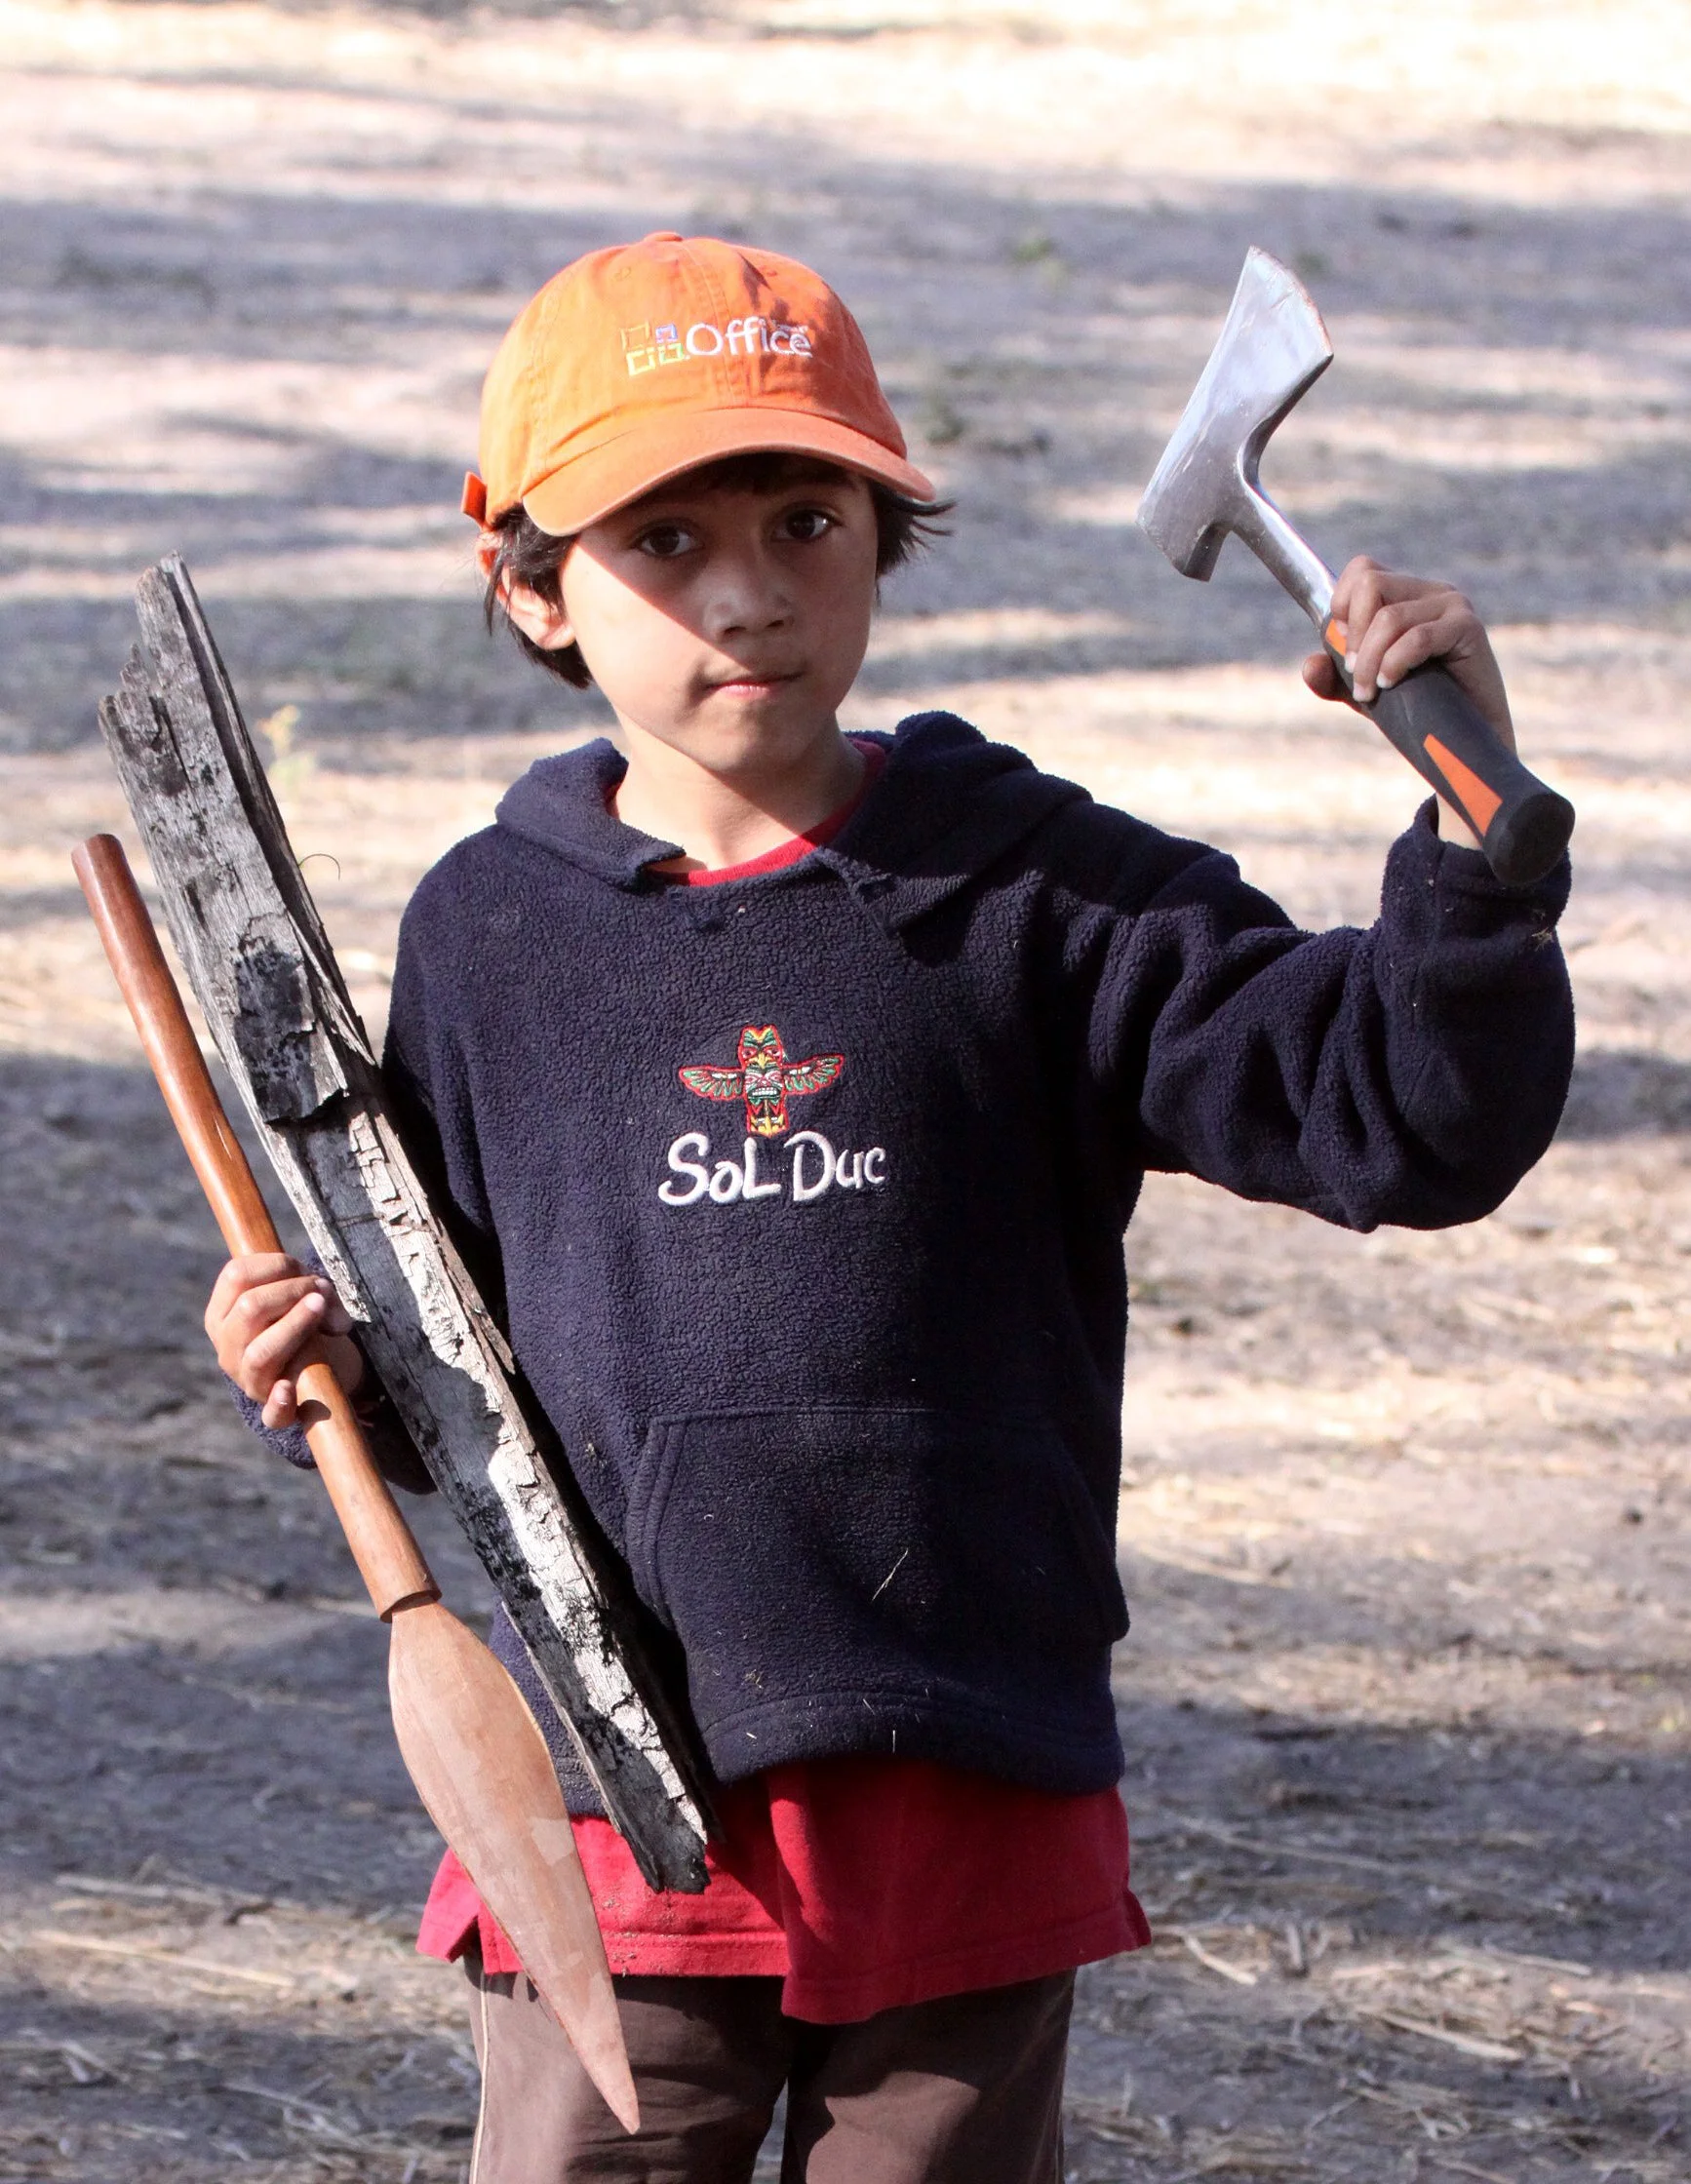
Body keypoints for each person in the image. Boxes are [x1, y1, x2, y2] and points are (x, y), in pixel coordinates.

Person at [205, 233, 1574, 2182]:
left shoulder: (1030, 891)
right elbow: (440, 1355)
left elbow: (1403, 1120)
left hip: (966, 1804)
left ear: (881, 532)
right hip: (611, 1799)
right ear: (526, 588)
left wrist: (1471, 852)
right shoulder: (487, 935)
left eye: (802, 518)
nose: (748, 593)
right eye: (661, 545)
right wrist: (308, 1363)